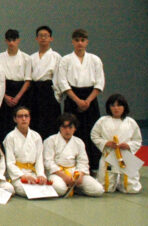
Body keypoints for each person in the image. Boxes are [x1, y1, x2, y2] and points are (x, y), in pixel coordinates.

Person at [57, 29, 105, 170]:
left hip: (90, 97)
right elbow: (62, 82)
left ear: (87, 42)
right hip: (73, 97)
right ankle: (70, 163)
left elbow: (99, 82)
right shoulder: (65, 60)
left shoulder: (95, 59)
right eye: (77, 40)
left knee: (92, 131)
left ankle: (93, 164)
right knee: (71, 130)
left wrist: (88, 100)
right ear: (72, 42)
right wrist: (77, 100)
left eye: (82, 40)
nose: (80, 43)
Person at [90, 94, 142, 193]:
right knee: (106, 188)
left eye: (119, 105)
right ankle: (115, 181)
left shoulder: (130, 122)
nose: (116, 108)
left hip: (126, 156)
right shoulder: (102, 121)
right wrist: (106, 143)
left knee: (131, 189)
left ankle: (119, 182)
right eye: (113, 105)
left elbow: (137, 140)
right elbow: (94, 136)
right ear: (109, 107)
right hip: (109, 155)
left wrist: (129, 146)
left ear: (124, 107)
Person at [44, 114, 104, 196]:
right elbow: (48, 162)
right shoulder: (50, 140)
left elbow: (83, 162)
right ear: (60, 128)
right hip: (57, 173)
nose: (67, 130)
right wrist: (64, 176)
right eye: (64, 127)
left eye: (70, 127)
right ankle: (70, 187)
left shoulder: (79, 142)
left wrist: (80, 175)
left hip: (75, 173)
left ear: (75, 128)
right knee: (59, 189)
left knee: (98, 190)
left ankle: (77, 188)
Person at [4, 107, 49, 198]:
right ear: (15, 119)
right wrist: (22, 176)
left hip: (33, 172)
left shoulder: (36, 136)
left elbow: (39, 158)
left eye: (26, 116)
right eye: (20, 116)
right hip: (18, 174)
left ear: (30, 118)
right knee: (30, 191)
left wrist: (40, 174)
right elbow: (10, 162)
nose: (24, 119)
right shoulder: (10, 137)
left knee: (47, 190)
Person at [28, 26, 63, 137]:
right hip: (34, 91)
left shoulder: (56, 57)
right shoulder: (31, 58)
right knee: (35, 121)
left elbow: (59, 78)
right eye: (40, 36)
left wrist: (57, 95)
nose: (43, 38)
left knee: (50, 122)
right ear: (36, 39)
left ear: (51, 39)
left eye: (46, 36)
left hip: (49, 91)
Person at [0, 29, 33, 134]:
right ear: (5, 41)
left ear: (18, 40)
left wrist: (17, 97)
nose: (11, 43)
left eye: (14, 40)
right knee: (4, 122)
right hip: (4, 90)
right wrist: (5, 96)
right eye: (9, 40)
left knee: (21, 119)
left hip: (21, 92)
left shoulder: (26, 58)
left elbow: (28, 80)